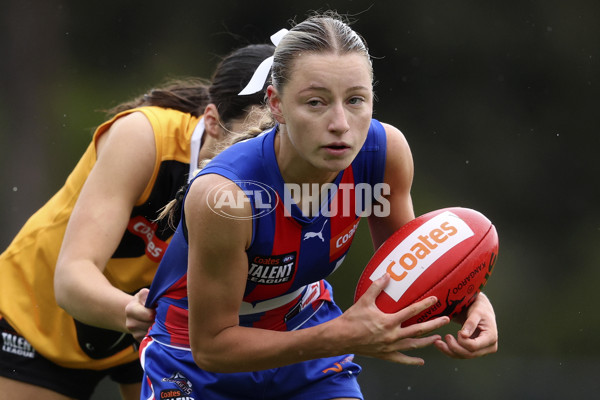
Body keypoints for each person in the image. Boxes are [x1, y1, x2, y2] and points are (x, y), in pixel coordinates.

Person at [138, 12, 498, 400]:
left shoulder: (384, 154)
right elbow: (212, 347)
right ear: (276, 104)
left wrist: (470, 301)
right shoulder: (226, 198)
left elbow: (413, 272)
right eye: (316, 102)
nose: (341, 123)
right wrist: (339, 335)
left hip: (305, 326)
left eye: (356, 100)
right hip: (193, 359)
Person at [0, 43, 275, 400]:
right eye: (253, 138)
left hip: (152, 326)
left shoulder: (275, 178)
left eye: (277, 141)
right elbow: (71, 280)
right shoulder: (145, 136)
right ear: (212, 122)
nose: (265, 155)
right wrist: (136, 311)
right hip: (39, 318)